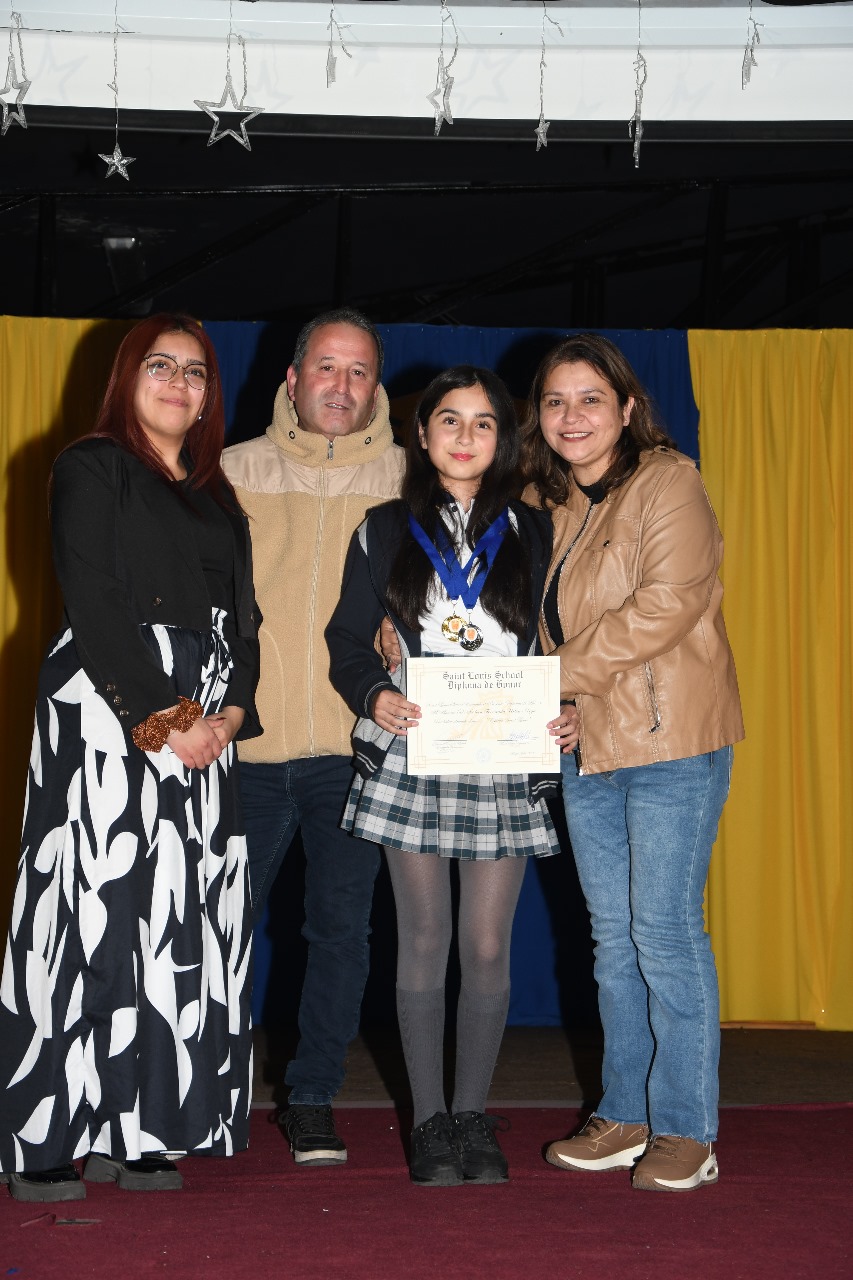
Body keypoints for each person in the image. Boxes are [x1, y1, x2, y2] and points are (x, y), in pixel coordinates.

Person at [0, 314, 261, 1203]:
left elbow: (244, 620)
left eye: (196, 371)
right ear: (126, 376)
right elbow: (95, 600)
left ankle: (137, 1129)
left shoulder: (218, 495)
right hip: (112, 713)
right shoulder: (92, 466)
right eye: (161, 365)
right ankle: (42, 1134)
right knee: (86, 913)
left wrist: (229, 713)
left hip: (205, 731)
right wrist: (167, 719)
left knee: (169, 929)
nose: (180, 383)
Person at [326, 366, 578, 1187]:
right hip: (418, 746)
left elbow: (562, 636)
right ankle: (429, 1122)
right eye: (448, 420)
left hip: (502, 748)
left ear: (504, 439)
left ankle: (471, 1113)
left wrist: (567, 704)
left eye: (482, 422)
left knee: (487, 943)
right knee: (424, 938)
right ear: (421, 432)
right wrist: (375, 691)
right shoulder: (382, 527)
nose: (465, 436)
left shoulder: (537, 529)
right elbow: (344, 641)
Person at [520, 333, 744, 1192]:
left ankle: (687, 1129)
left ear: (625, 408)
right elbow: (520, 614)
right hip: (589, 745)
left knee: (664, 932)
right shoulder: (545, 503)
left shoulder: (667, 481)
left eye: (589, 399)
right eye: (554, 401)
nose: (570, 416)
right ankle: (624, 1115)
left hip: (671, 742)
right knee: (611, 939)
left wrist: (548, 678)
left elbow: (666, 606)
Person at [222, 308, 405, 1167]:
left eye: (358, 371)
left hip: (354, 751)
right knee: (217, 933)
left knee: (341, 934)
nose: (341, 385)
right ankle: (208, 1093)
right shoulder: (228, 473)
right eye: (326, 367)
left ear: (377, 387)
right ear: (292, 380)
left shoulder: (414, 481)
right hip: (241, 751)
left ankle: (311, 1099)